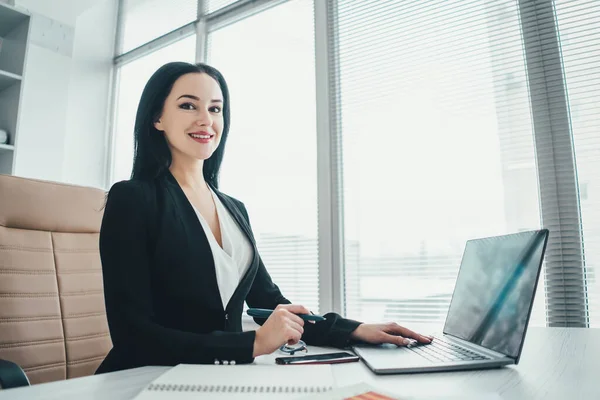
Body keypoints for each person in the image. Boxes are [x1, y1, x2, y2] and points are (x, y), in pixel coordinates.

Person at [95, 62, 432, 374]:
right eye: (188, 106)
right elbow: (133, 335)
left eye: (215, 108)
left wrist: (354, 330)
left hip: (218, 379)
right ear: (157, 118)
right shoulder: (133, 199)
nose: (206, 120)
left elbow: (271, 304)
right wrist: (252, 343)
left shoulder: (234, 208)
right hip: (143, 380)